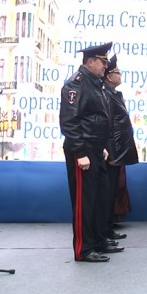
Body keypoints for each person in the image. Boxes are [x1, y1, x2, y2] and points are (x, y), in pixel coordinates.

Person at [59, 42, 123, 262]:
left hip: (96, 149)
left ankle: (98, 240)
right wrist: (80, 152)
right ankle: (83, 249)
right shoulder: (76, 84)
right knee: (84, 202)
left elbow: (96, 118)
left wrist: (103, 146)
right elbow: (69, 122)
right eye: (102, 62)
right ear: (90, 62)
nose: (105, 66)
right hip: (83, 151)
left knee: (100, 198)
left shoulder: (95, 83)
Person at [103, 55, 137, 237]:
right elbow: (107, 125)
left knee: (112, 192)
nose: (120, 75)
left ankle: (108, 228)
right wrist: (110, 150)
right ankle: (105, 230)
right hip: (112, 152)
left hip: (117, 151)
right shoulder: (106, 94)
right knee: (107, 193)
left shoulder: (112, 93)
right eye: (117, 72)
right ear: (109, 76)